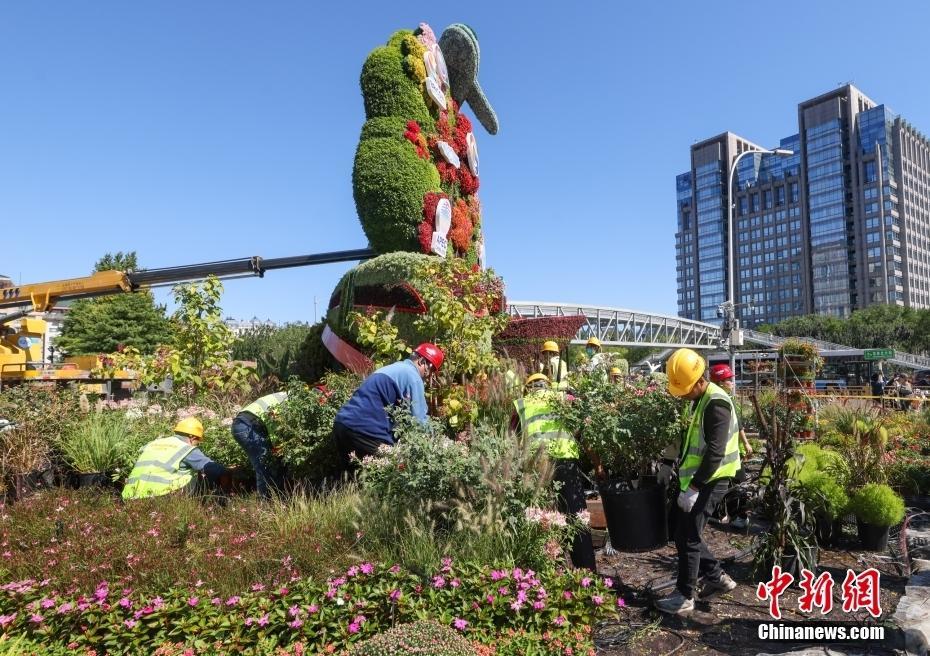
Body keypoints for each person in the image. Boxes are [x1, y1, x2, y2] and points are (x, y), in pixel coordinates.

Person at [655, 348, 740, 615]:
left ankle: (684, 596)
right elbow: (686, 437)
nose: (683, 393)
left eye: (686, 387)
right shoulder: (698, 399)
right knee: (681, 532)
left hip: (713, 478)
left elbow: (715, 452)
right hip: (697, 478)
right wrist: (668, 464)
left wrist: (693, 488)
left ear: (701, 380)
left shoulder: (717, 403)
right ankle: (716, 577)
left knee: (689, 535)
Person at [511, 373, 596, 572]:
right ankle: (587, 573)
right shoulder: (563, 399)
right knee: (576, 517)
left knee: (541, 518)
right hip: (566, 463)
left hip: (536, 467)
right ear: (549, 386)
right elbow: (584, 432)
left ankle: (547, 571)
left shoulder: (521, 404)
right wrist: (597, 464)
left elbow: (511, 439)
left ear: (528, 387)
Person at [333, 343, 444, 466]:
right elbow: (419, 420)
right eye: (431, 370)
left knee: (353, 478)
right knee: (399, 468)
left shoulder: (392, 369)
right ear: (422, 361)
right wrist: (437, 442)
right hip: (366, 431)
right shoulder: (412, 376)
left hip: (342, 424)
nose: (428, 377)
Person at [122, 417, 227, 500]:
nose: (197, 445)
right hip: (160, 497)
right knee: (196, 474)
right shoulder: (186, 449)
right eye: (198, 442)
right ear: (193, 438)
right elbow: (214, 469)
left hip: (129, 496)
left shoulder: (153, 443)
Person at [709, 364, 753, 529]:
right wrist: (746, 443)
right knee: (733, 485)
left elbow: (738, 426)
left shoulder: (725, 400)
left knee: (735, 486)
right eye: (729, 380)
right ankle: (732, 516)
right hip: (727, 453)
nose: (732, 383)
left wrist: (746, 443)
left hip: (731, 453)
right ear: (720, 382)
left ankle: (737, 517)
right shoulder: (722, 400)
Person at [232, 391, 287, 499]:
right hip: (248, 426)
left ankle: (274, 500)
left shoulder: (285, 394)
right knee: (265, 465)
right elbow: (276, 422)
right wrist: (278, 446)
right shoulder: (292, 401)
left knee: (268, 464)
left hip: (243, 424)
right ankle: (266, 504)